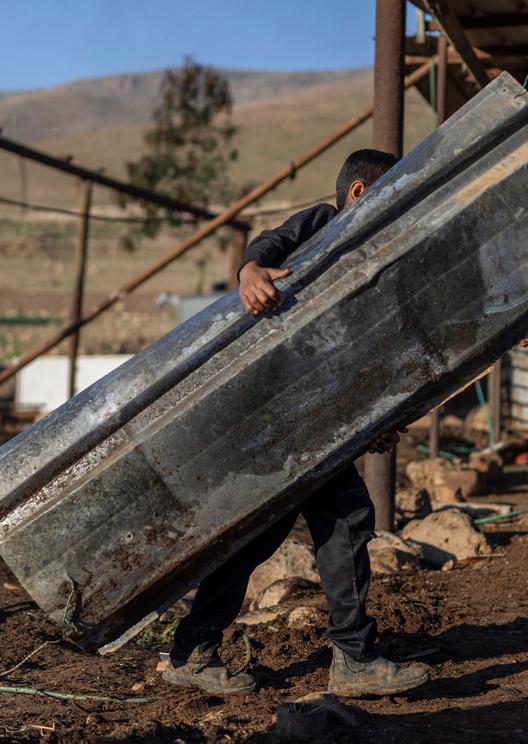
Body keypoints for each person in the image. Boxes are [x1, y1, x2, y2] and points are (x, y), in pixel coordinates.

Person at [159, 148, 431, 698]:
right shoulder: (324, 225)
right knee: (342, 518)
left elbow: (358, 357)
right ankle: (350, 658)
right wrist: (250, 270)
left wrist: (370, 420)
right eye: (390, 193)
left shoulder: (372, 261)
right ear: (358, 193)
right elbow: (271, 241)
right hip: (282, 420)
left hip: (317, 422)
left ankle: (195, 649)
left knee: (281, 533)